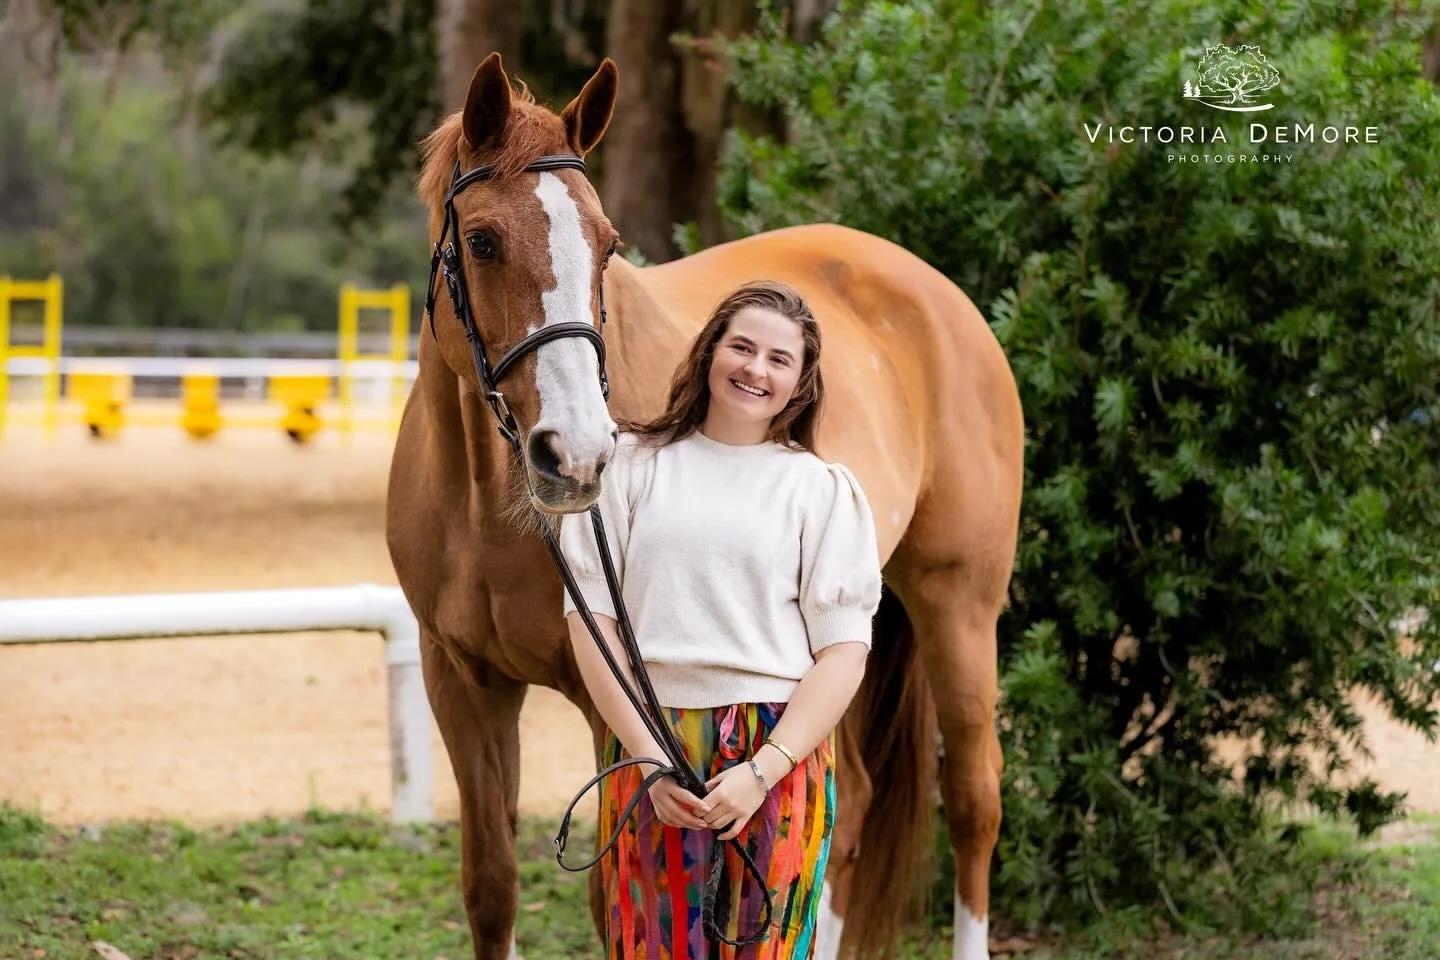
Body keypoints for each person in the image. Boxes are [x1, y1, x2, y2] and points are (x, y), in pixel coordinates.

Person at [558, 280, 883, 958]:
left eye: (778, 358)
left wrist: (762, 770)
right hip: (652, 734)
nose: (754, 369)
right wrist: (649, 757)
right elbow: (591, 621)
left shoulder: (820, 491)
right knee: (652, 946)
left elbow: (843, 653)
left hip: (777, 746)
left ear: (800, 384)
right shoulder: (629, 469)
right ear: (710, 352)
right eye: (741, 347)